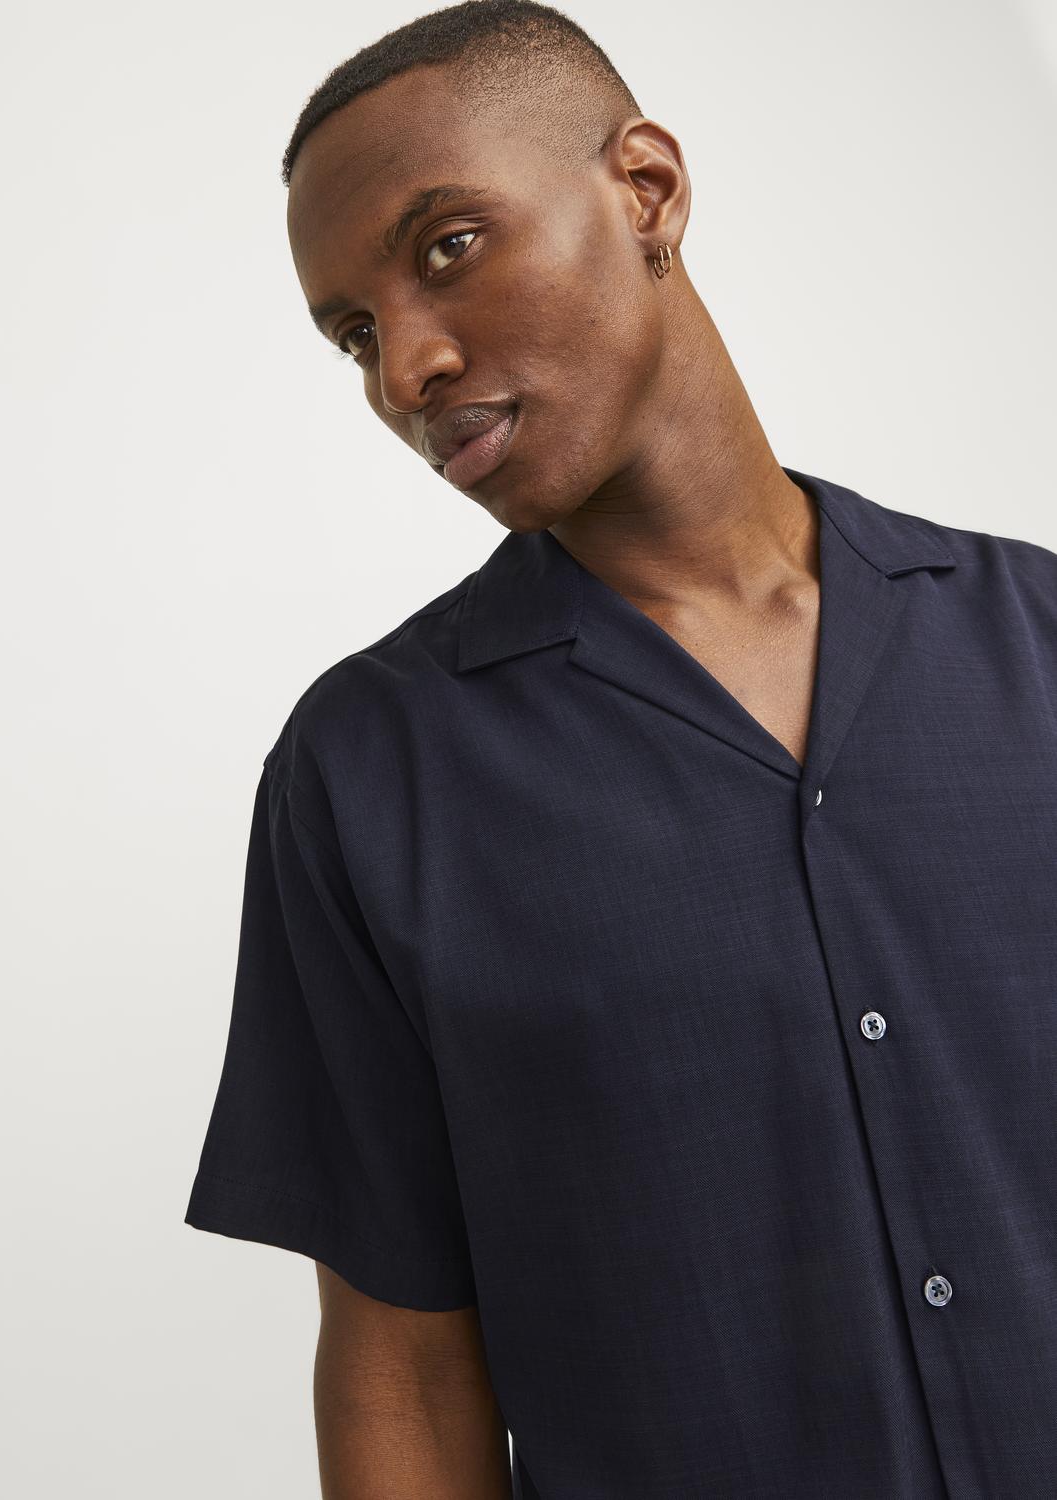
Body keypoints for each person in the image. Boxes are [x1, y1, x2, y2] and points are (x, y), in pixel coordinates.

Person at [184, 2, 1057, 1495]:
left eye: (447, 247)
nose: (405, 370)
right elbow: (403, 1369)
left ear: (645, 190)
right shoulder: (370, 774)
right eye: (355, 334)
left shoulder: (1035, 644)